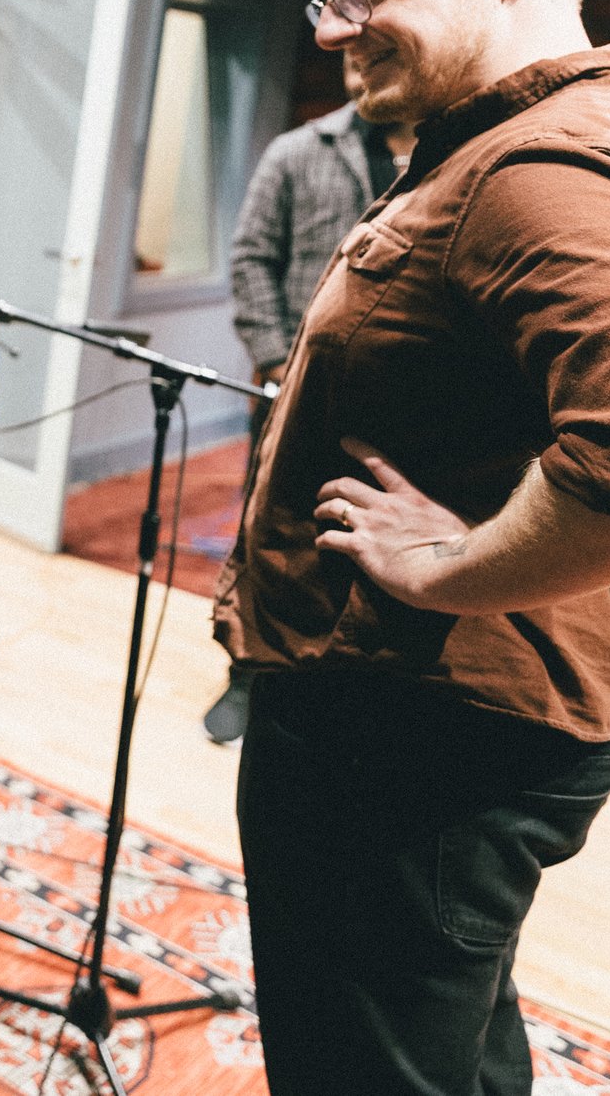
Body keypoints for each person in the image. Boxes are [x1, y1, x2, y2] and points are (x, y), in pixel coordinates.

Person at [212, 0, 610, 1096]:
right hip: (426, 727)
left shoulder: (541, 167)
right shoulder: (523, 138)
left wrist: (449, 568)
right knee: (448, 1052)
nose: (332, 27)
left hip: (410, 737)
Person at [204, 64, 417, 744]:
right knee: (271, 535)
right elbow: (251, 260)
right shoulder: (296, 152)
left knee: (365, 542)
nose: (354, 63)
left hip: (395, 407)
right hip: (289, 394)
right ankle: (247, 672)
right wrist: (275, 362)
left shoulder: (455, 159)